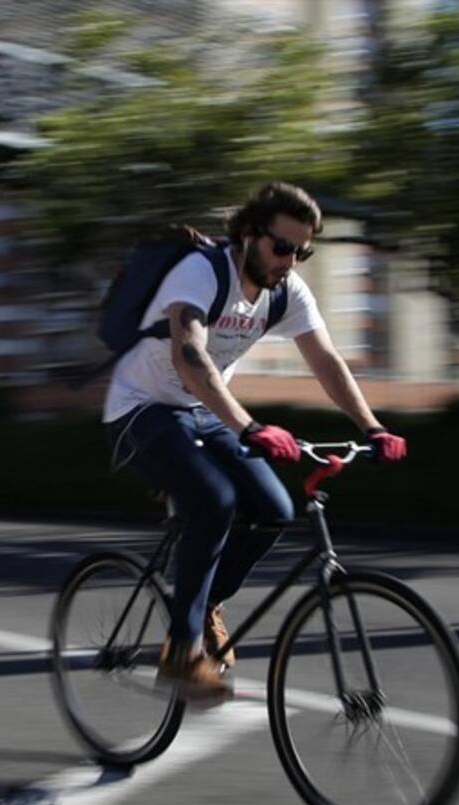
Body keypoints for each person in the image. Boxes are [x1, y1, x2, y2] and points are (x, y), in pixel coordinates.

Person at [103, 182, 407, 701]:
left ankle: (205, 605)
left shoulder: (285, 292)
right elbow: (189, 356)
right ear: (247, 234)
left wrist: (372, 426)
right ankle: (181, 652)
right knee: (214, 500)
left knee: (273, 508)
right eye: (282, 247)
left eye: (302, 251)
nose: (291, 261)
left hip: (202, 412)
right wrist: (249, 426)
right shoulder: (202, 272)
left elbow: (326, 360)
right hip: (140, 409)